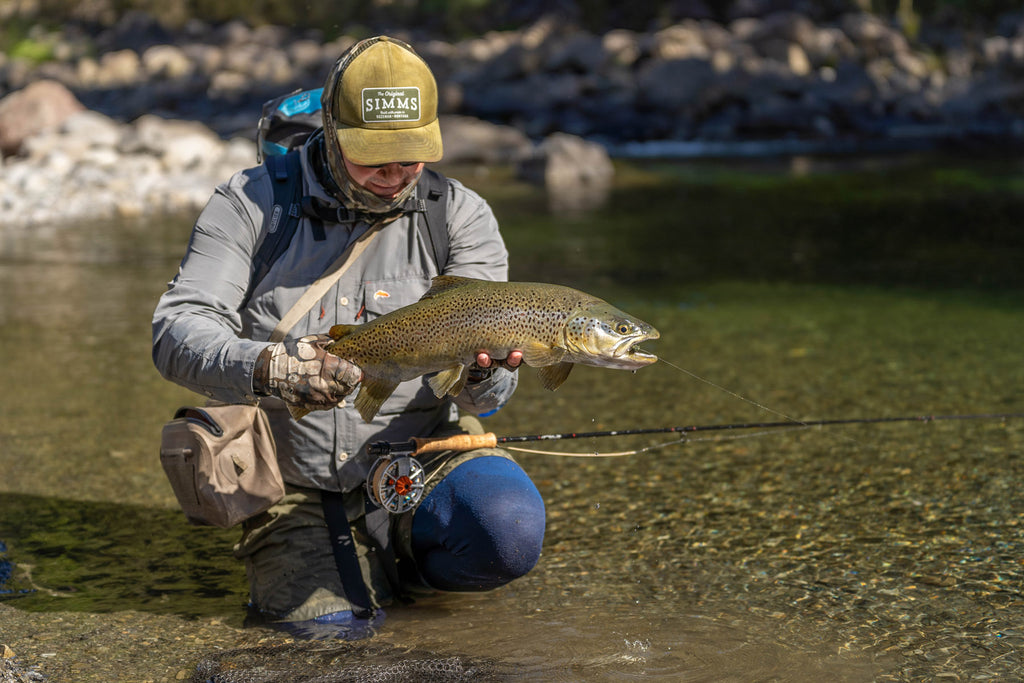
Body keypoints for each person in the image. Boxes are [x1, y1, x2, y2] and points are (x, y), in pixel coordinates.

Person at [152, 35, 546, 638]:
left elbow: (483, 403)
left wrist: (488, 371)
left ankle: (413, 566)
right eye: (373, 160)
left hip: (421, 459)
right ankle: (347, 564)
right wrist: (272, 369)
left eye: (408, 159)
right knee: (330, 644)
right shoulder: (251, 204)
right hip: (292, 478)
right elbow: (177, 330)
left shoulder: (460, 216)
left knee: (507, 530)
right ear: (331, 131)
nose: (393, 177)